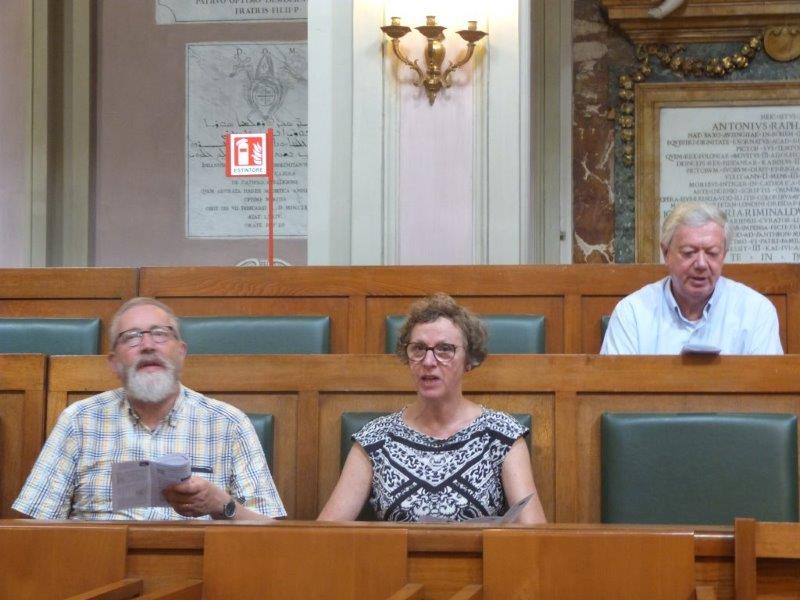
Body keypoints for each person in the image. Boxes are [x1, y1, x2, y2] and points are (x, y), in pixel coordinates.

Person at [13, 297, 285, 520]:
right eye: (131, 337)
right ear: (114, 363)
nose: (147, 345)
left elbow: (270, 532)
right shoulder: (79, 420)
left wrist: (222, 505)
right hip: (98, 563)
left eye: (160, 334)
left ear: (181, 352)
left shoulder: (229, 423)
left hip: (202, 565)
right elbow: (35, 525)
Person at [318, 293, 546, 524]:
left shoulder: (502, 434)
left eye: (445, 349)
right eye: (418, 348)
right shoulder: (375, 438)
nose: (428, 362)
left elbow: (534, 535)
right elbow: (326, 533)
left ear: (469, 360)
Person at [601, 202, 783, 355]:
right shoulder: (632, 313)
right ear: (666, 253)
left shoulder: (756, 312)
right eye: (689, 253)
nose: (701, 264)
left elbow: (767, 384)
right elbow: (614, 384)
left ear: (724, 255)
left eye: (712, 253)